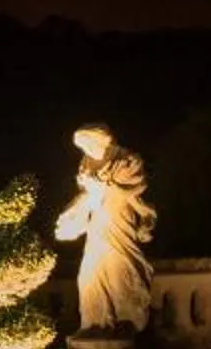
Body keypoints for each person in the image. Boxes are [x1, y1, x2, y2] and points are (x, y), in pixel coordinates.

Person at [53, 123, 156, 336]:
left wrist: (102, 187)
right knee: (88, 275)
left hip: (118, 219)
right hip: (97, 223)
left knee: (119, 269)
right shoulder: (87, 162)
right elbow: (86, 194)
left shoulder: (126, 159)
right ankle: (94, 324)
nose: (86, 150)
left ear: (101, 139)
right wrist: (75, 210)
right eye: (83, 147)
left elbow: (137, 184)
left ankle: (125, 322)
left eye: (88, 144)